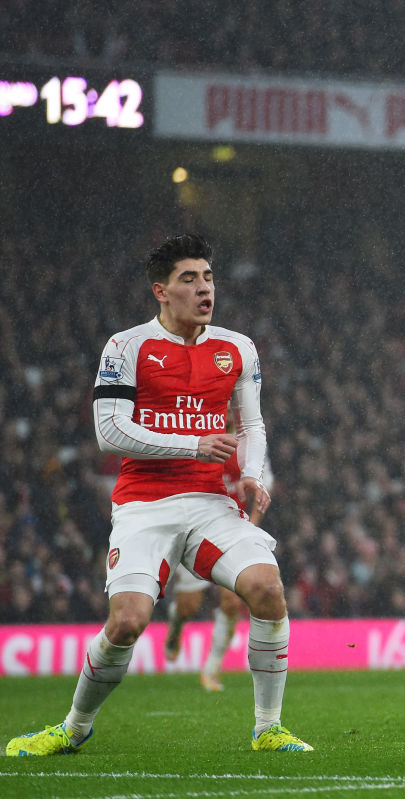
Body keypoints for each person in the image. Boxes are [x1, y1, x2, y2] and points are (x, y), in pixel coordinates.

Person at [6, 234, 311, 756]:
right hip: (144, 504)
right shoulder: (126, 347)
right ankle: (73, 728)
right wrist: (193, 443)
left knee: (266, 588)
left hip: (211, 504)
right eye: (188, 279)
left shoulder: (238, 347)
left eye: (208, 277)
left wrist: (252, 474)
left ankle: (268, 728)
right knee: (127, 622)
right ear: (161, 291)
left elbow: (253, 425)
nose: (204, 288)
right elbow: (109, 432)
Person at [162, 437, 275, 692]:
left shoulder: (250, 442)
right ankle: (177, 623)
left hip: (231, 530)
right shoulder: (197, 434)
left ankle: (212, 669)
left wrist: (250, 526)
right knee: (189, 605)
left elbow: (265, 486)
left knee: (233, 601)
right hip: (196, 530)